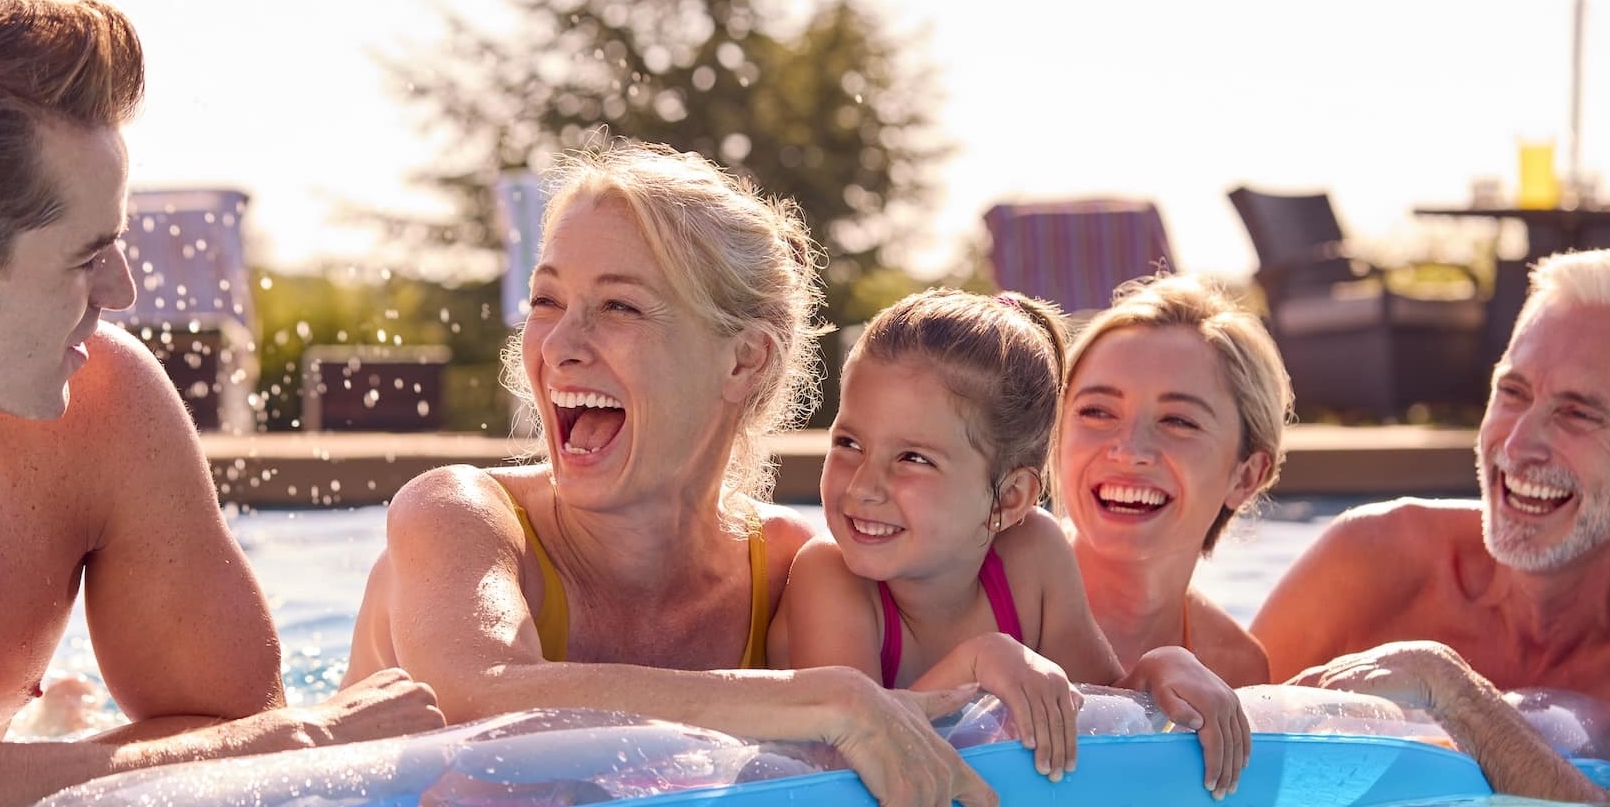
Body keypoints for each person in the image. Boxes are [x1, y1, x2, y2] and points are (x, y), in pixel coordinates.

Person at [0, 2, 440, 804]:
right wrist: (306, 737)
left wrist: (252, 743)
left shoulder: (97, 404)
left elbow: (235, 738)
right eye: (87, 256)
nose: (124, 291)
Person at [342, 142, 998, 807]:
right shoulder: (459, 517)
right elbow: (476, 695)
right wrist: (819, 699)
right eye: (547, 301)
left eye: (619, 307)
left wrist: (999, 662)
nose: (561, 344)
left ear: (742, 361)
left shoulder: (789, 574)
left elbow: (914, 717)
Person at [1252, 248, 1610, 801]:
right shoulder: (1373, 560)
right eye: (1512, 392)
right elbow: (1194, 748)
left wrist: (1455, 695)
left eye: (1579, 413)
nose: (1518, 444)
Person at [772, 287, 1251, 798]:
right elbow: (845, 765)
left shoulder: (1032, 555)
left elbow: (1104, 718)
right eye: (848, 443)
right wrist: (975, 662)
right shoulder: (831, 574)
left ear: (1010, 498)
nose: (863, 485)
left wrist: (1159, 669)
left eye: (913, 458)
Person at [1060, 275, 1288, 687]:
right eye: (1097, 412)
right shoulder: (972, 612)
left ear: (1246, 476)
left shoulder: (1233, 668)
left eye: (1178, 421)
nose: (1129, 450)